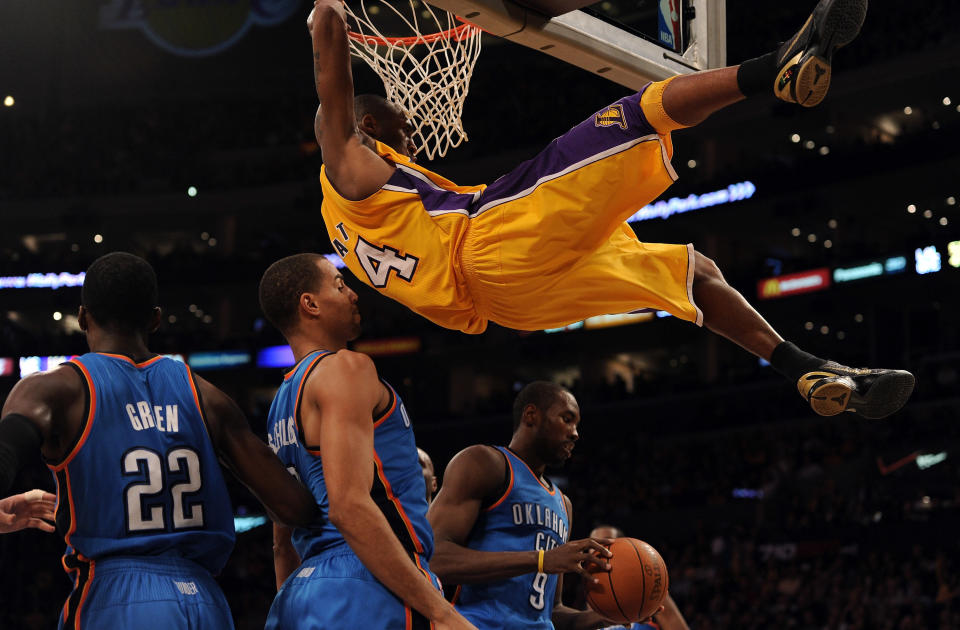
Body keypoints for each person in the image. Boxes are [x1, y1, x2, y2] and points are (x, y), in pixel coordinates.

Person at [307, 0, 914, 420]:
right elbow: (330, 92)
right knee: (644, 111)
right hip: (491, 243)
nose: (411, 137)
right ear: (366, 125)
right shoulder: (349, 162)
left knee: (693, 274)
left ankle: (805, 369)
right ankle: (775, 67)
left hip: (510, 307)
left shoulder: (349, 232)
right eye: (401, 128)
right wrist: (328, 12)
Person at [0, 252, 317, 629]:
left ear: (83, 317)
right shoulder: (208, 397)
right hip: (205, 602)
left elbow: (5, 452)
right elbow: (295, 508)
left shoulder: (56, 389)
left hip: (117, 598)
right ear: (155, 319)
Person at [258, 253, 474, 630]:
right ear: (310, 304)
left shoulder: (280, 403)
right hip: (369, 578)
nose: (353, 294)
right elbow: (348, 508)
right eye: (340, 286)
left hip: (302, 591)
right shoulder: (346, 367)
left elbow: (282, 539)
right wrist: (442, 612)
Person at [428, 381, 648, 629]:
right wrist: (540, 559)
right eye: (567, 419)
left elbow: (551, 612)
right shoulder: (484, 463)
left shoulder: (563, 504)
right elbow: (432, 558)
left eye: (576, 425)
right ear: (531, 416)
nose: (575, 433)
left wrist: (609, 615)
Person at [587, 525, 689, 630]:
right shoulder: (590, 598)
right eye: (594, 544)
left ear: (622, 546)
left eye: (605, 542)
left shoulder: (647, 584)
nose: (599, 548)